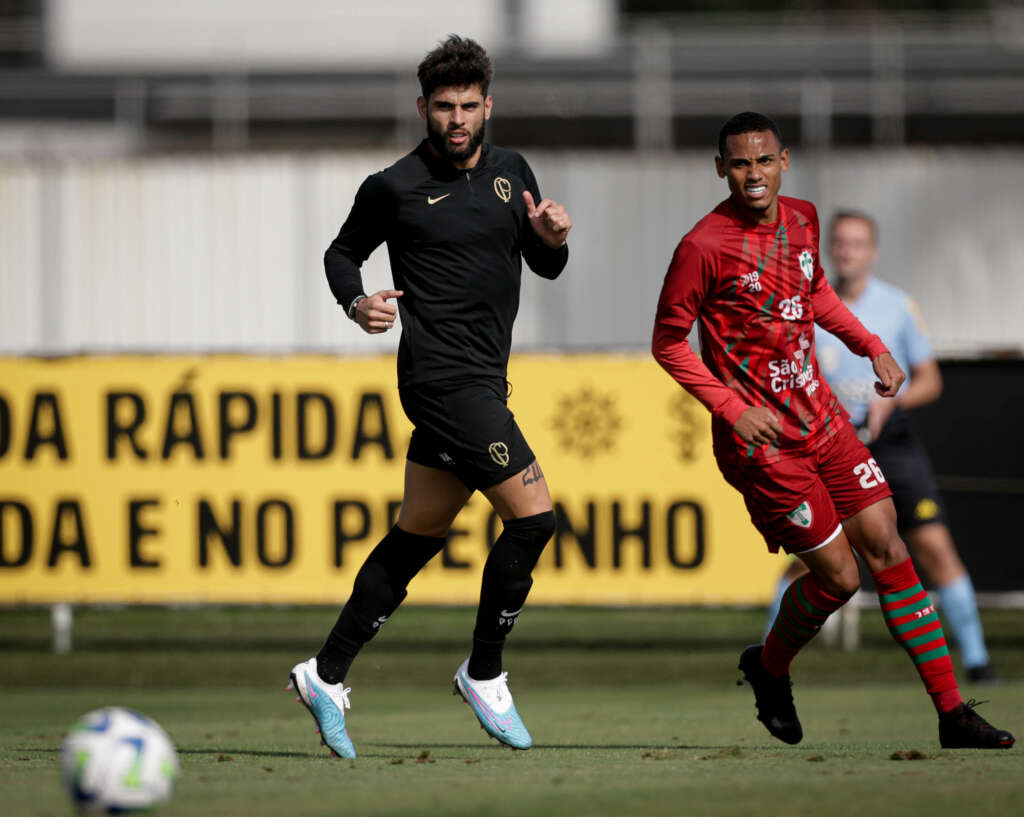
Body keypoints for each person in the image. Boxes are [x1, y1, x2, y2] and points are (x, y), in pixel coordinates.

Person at [651, 111, 1012, 749]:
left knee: (891, 550)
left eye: (763, 161)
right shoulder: (702, 246)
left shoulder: (803, 217)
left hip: (823, 420)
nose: (753, 174)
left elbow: (814, 293)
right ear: (720, 168)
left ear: (783, 161)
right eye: (739, 163)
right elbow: (669, 345)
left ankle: (953, 714)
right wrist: (733, 409)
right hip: (762, 446)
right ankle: (768, 668)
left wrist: (871, 344)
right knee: (841, 580)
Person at [287, 35, 571, 757]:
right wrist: (357, 303)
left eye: (469, 106)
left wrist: (552, 239)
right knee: (534, 518)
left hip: (483, 377)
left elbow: (545, 265)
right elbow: (340, 252)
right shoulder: (394, 185)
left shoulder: (513, 172)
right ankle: (485, 671)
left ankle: (325, 672)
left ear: (487, 106)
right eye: (443, 106)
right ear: (423, 107)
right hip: (441, 381)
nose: (456, 118)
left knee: (417, 535)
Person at [761, 211, 998, 683]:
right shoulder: (799, 304)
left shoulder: (896, 306)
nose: (848, 251)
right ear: (829, 249)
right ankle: (768, 660)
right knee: (816, 559)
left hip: (890, 442)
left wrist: (893, 402)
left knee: (932, 545)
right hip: (825, 445)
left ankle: (976, 661)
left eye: (858, 243)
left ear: (874, 251)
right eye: (841, 242)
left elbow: (930, 379)